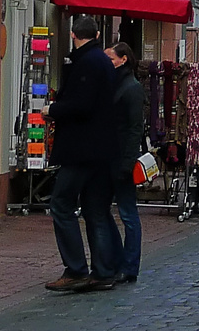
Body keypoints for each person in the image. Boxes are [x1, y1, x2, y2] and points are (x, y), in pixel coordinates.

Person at [43, 15, 121, 293]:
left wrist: (52, 110)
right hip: (103, 148)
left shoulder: (85, 62)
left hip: (81, 148)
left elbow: (82, 104)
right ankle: (103, 271)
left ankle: (76, 269)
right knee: (96, 210)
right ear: (97, 34)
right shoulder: (102, 60)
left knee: (61, 204)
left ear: (74, 36)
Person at [105, 42, 146, 284]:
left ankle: (130, 265)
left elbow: (134, 128)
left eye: (110, 59)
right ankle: (116, 259)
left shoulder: (131, 88)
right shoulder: (112, 84)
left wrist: (128, 162)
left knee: (128, 213)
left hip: (122, 159)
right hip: (108, 157)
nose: (106, 63)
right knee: (101, 210)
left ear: (123, 60)